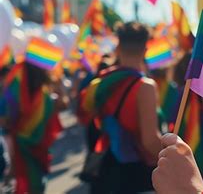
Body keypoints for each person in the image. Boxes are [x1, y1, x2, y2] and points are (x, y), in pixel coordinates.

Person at [79, 22, 162, 194]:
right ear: (145, 50)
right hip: (134, 172)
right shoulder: (144, 86)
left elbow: (86, 116)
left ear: (118, 49)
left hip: (105, 168)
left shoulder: (100, 82)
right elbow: (149, 141)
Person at [0, 62, 66, 194]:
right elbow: (62, 106)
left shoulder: (13, 92)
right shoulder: (46, 96)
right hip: (40, 146)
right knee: (37, 181)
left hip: (20, 145)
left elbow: (4, 120)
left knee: (27, 179)